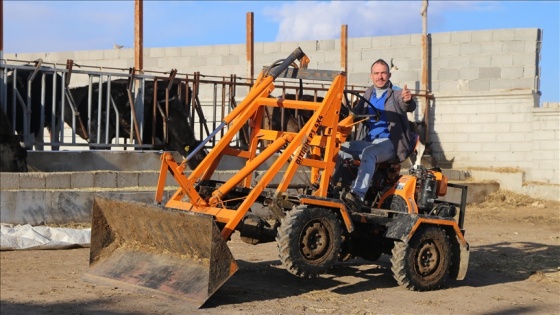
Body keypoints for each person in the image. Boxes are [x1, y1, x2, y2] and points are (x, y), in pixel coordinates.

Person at [332, 59, 417, 212]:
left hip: (391, 143)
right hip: (370, 141)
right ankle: (333, 187)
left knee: (369, 153)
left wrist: (408, 100)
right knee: (342, 148)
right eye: (376, 73)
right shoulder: (368, 92)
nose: (380, 77)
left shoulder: (396, 93)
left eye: (383, 73)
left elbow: (407, 105)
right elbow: (356, 114)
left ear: (389, 75)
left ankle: (357, 196)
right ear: (371, 76)